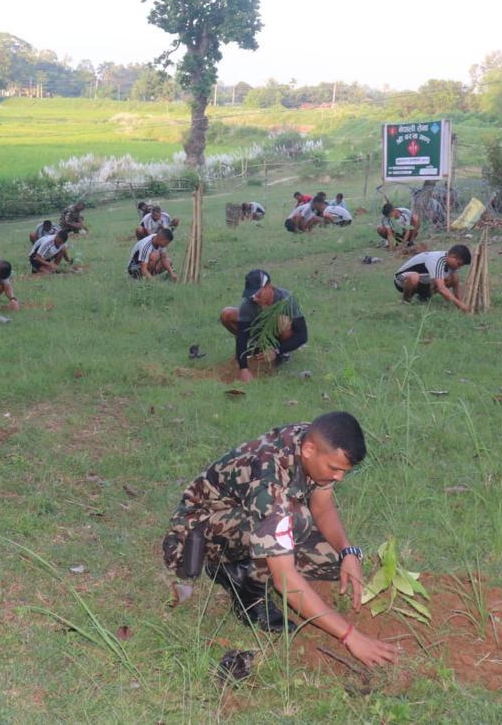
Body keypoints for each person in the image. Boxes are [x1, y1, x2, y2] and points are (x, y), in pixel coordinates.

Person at [161, 412, 399, 668]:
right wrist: (351, 637)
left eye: (343, 471)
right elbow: (285, 580)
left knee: (331, 562)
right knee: (296, 520)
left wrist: (348, 552)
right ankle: (248, 589)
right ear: (309, 450)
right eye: (334, 469)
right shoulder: (270, 481)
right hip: (195, 534)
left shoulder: (313, 442)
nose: (339, 478)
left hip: (248, 516)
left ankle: (239, 567)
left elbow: (322, 507)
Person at [220, 269, 308, 382]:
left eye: (258, 294)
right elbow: (241, 338)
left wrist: (277, 351)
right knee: (227, 313)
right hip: (259, 332)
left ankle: (283, 355)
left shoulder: (286, 299)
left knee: (282, 319)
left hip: (280, 337)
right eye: (251, 295)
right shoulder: (248, 304)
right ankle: (257, 348)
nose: (254, 299)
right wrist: (244, 369)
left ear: (268, 287)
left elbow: (302, 335)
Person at [394, 245, 471, 311]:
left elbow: (456, 284)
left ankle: (423, 296)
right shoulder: (437, 259)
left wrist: (459, 301)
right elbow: (441, 288)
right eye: (459, 264)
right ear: (452, 257)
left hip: (422, 281)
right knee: (414, 276)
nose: (459, 267)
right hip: (401, 279)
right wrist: (460, 305)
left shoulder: (451, 265)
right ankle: (406, 301)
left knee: (454, 278)